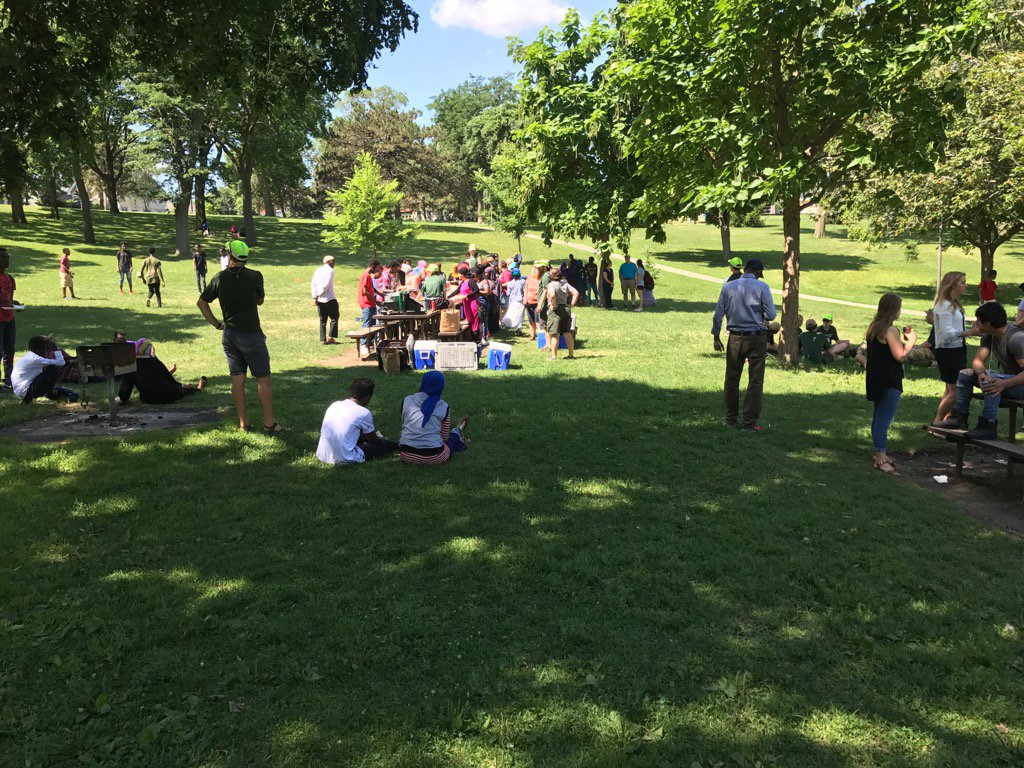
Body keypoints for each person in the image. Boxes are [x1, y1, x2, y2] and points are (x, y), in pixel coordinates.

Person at [197, 242, 283, 433]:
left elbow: (201, 303)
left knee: (238, 379)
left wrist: (218, 324)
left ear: (230, 256)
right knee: (263, 379)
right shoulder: (254, 276)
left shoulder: (219, 278)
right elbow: (260, 301)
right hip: (251, 334)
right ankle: (269, 423)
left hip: (229, 336)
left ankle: (244, 423)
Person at [935, 302, 1024, 440]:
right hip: (1009, 380)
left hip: (1019, 384)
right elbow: (977, 360)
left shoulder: (1016, 339)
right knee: (965, 374)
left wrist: (1004, 383)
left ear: (987, 323)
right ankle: (959, 418)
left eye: (978, 321)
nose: (975, 325)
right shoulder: (989, 335)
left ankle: (988, 425)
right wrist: (982, 374)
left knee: (992, 382)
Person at [711, 258, 776, 431]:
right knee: (755, 381)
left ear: (745, 269)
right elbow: (771, 314)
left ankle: (730, 419)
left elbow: (718, 314)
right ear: (758, 273)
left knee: (731, 379)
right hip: (756, 338)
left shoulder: (728, 286)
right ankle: (749, 423)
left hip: (734, 338)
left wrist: (716, 337)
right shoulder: (763, 287)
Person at [865, 294, 916, 474]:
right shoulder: (890, 330)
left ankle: (880, 452)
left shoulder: (874, 328)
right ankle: (880, 457)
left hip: (876, 379)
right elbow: (900, 356)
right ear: (894, 309)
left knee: (878, 417)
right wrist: (911, 342)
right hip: (889, 380)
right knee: (883, 420)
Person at [316, 378, 398, 466]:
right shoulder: (363, 412)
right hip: (345, 459)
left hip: (323, 455)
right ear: (367, 397)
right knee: (384, 445)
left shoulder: (334, 405)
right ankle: (400, 446)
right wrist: (381, 439)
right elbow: (374, 440)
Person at [931, 271, 978, 425]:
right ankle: (937, 422)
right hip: (948, 352)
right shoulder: (944, 305)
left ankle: (944, 421)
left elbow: (954, 328)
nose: (966, 285)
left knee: (949, 390)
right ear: (952, 285)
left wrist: (969, 329)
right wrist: (969, 332)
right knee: (955, 392)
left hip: (957, 349)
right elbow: (946, 334)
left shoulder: (953, 303)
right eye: (963, 283)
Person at [399, 371, 470, 465]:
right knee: (451, 439)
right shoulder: (443, 406)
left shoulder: (406, 400)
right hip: (434, 456)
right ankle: (458, 430)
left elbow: (404, 424)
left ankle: (458, 431)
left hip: (406, 454)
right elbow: (444, 438)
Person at [118, 341, 206, 405]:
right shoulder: (155, 362)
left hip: (147, 399)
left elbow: (126, 389)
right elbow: (170, 380)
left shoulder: (131, 366)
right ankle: (198, 388)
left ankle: (191, 387)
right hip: (166, 396)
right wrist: (182, 386)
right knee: (182, 390)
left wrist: (122, 399)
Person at [10, 335, 79, 403]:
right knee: (53, 368)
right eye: (45, 349)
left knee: (49, 369)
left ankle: (50, 392)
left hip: (21, 390)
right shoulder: (35, 359)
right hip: (27, 391)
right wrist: (55, 349)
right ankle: (49, 393)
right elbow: (61, 362)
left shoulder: (30, 355)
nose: (46, 351)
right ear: (38, 350)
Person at [540, 266, 579, 360]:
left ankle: (554, 356)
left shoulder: (551, 285)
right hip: (566, 309)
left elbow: (552, 295)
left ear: (551, 275)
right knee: (567, 333)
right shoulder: (565, 284)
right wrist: (571, 304)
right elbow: (576, 293)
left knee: (554, 334)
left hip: (555, 310)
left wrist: (554, 306)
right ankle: (571, 355)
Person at [311, 255, 339, 345]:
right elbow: (326, 285)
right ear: (328, 262)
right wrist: (319, 294)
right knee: (335, 316)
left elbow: (313, 284)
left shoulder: (318, 270)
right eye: (332, 261)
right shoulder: (330, 271)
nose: (334, 263)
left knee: (323, 320)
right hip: (329, 298)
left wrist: (314, 296)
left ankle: (323, 340)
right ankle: (331, 337)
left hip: (319, 299)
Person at [358, 259, 384, 349]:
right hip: (367, 303)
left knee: (372, 325)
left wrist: (380, 294)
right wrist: (375, 301)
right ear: (373, 266)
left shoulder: (368, 276)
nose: (377, 269)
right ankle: (363, 344)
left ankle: (370, 343)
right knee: (367, 324)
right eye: (377, 267)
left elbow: (371, 287)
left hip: (371, 304)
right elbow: (365, 291)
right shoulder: (366, 275)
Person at [449, 267, 480, 341]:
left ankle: (476, 339)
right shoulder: (463, 282)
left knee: (474, 320)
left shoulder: (470, 281)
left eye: (459, 274)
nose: (458, 276)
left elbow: (476, 290)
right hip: (466, 304)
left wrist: (467, 295)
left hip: (472, 303)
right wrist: (448, 297)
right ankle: (472, 338)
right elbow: (457, 291)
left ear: (462, 275)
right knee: (469, 320)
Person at [0, 247, 16, 387]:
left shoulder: (10, 278)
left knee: (9, 350)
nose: (6, 260)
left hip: (9, 319)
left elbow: (9, 297)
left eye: (7, 257)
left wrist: (15, 305)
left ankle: (8, 380)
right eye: (3, 257)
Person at [501, 268, 527, 333]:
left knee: (513, 313)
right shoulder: (523, 282)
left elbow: (508, 293)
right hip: (521, 300)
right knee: (521, 315)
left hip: (512, 301)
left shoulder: (510, 283)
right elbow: (524, 291)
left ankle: (510, 324)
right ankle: (519, 327)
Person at [523, 265, 541, 340]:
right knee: (531, 320)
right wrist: (525, 298)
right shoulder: (529, 277)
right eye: (533, 269)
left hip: (537, 302)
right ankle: (532, 335)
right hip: (529, 301)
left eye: (535, 269)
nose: (533, 271)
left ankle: (540, 336)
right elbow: (526, 288)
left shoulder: (541, 279)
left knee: (538, 321)